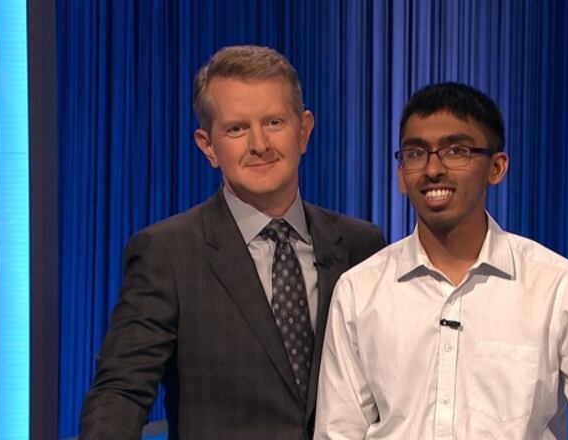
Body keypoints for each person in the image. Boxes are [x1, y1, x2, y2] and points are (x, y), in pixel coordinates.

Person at [315, 82, 568, 439]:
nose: (433, 169)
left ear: (496, 167)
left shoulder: (555, 286)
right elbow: (338, 432)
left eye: (455, 150)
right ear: (401, 174)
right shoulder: (359, 290)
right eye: (416, 153)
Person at [79, 45, 385, 440]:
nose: (259, 144)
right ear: (208, 146)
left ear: (304, 130)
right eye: (236, 129)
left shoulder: (361, 244)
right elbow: (120, 390)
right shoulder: (168, 253)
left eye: (274, 122)